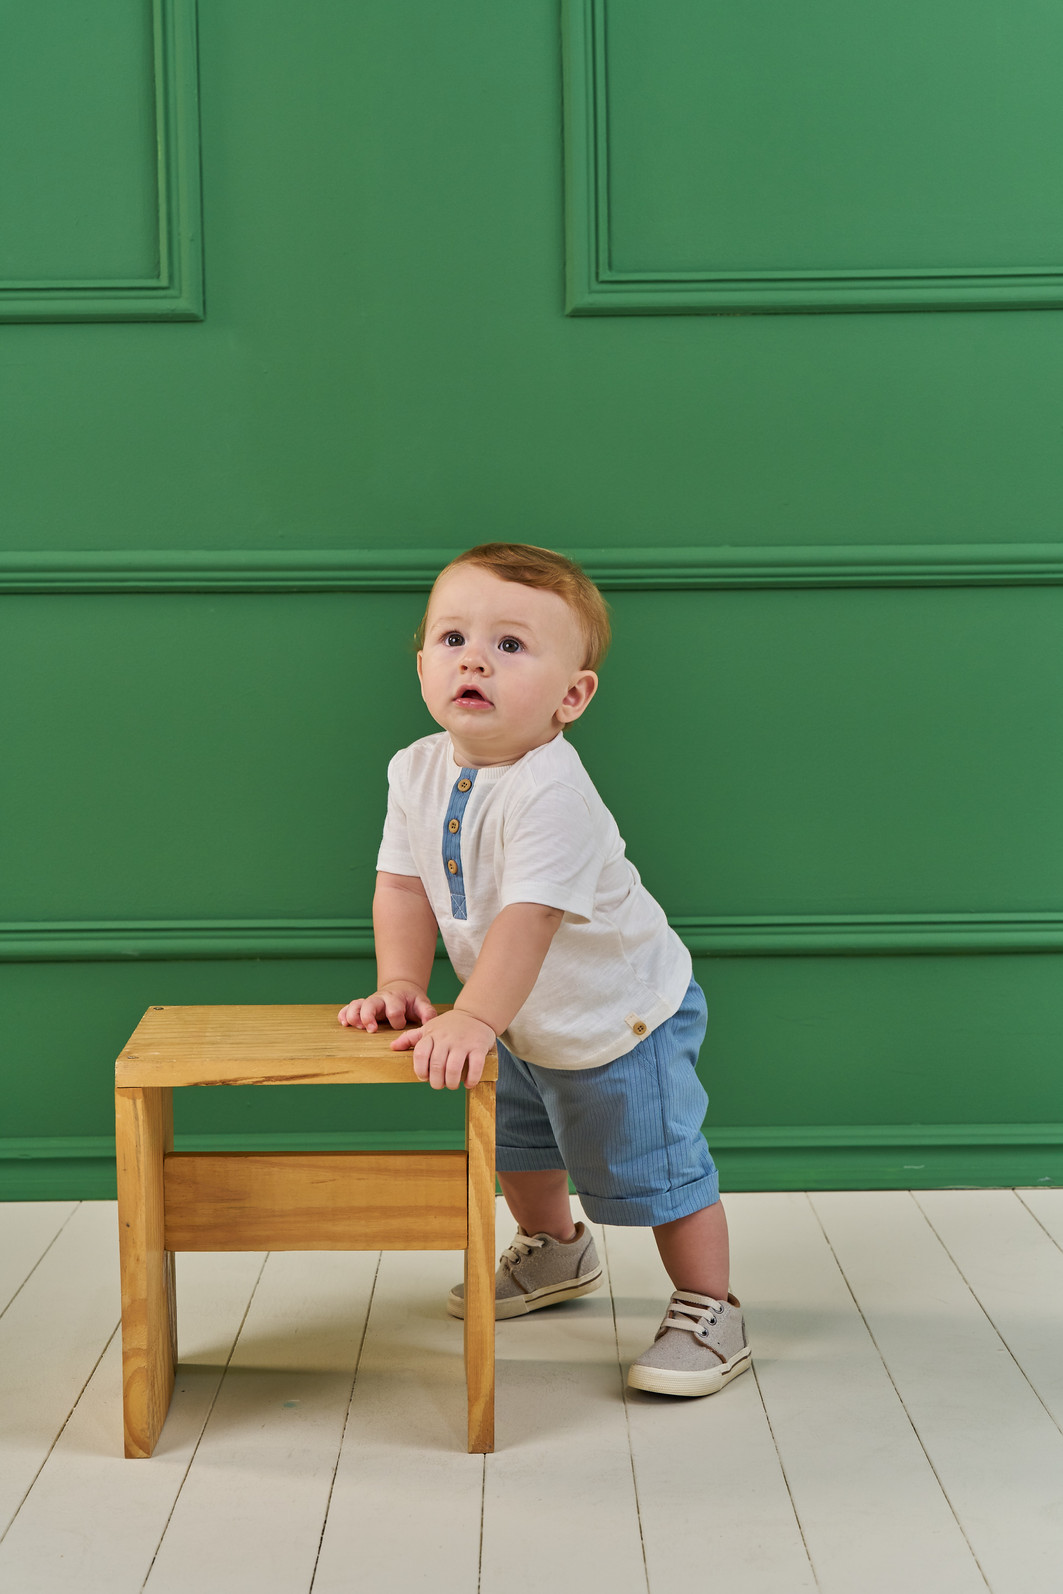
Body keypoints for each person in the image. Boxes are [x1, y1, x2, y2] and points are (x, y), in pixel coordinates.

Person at [338, 542, 751, 1397]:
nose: (474, 659)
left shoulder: (550, 791)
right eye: (451, 638)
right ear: (421, 664)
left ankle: (709, 1304)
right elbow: (401, 882)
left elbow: (527, 924)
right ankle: (558, 1250)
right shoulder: (414, 768)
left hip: (615, 1016)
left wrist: (476, 1017)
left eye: (511, 646)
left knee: (655, 1168)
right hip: (515, 1013)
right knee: (521, 1145)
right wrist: (403, 983)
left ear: (572, 697)